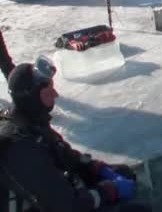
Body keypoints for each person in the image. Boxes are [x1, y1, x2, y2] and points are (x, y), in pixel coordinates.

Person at [0, 57, 151, 212]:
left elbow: (61, 151)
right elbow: (67, 206)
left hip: (51, 193)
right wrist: (108, 192)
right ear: (31, 98)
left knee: (123, 173)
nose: (56, 94)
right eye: (48, 91)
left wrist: (95, 167)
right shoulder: (20, 148)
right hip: (48, 205)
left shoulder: (29, 120)